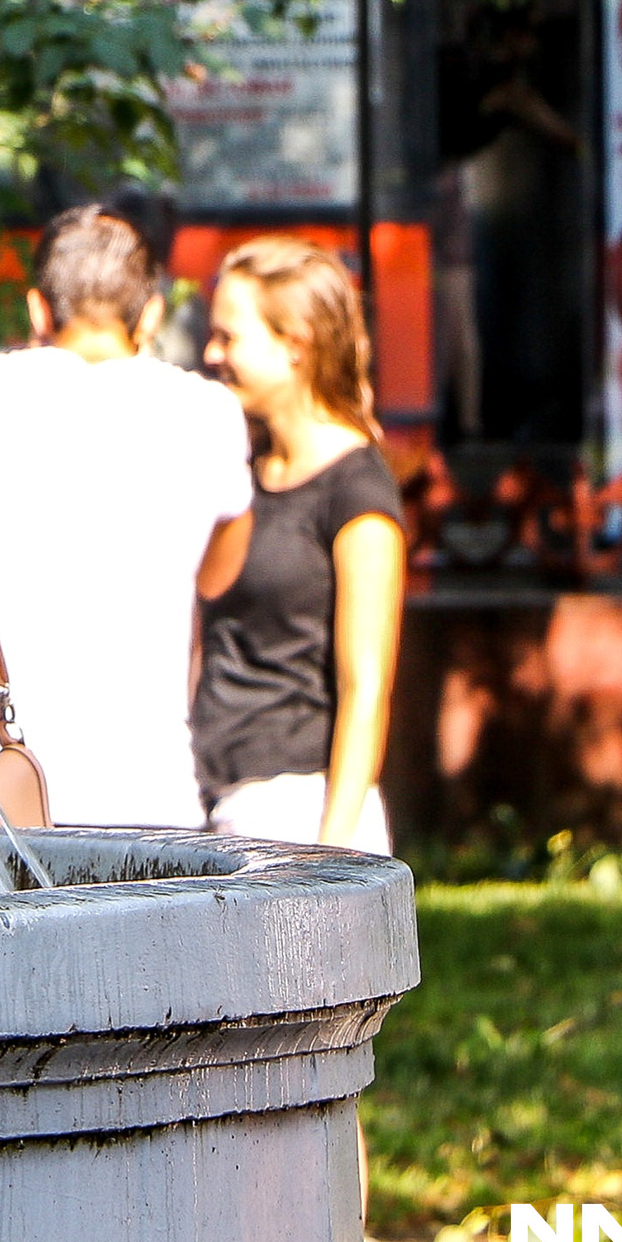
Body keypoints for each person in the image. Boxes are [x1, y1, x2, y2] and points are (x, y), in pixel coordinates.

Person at [0, 206, 253, 829]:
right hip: (144, 795)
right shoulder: (209, 412)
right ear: (150, 315)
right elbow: (219, 577)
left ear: (38, 310)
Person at [191, 236, 405, 851]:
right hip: (214, 805)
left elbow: (366, 685)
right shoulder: (243, 469)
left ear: (296, 345)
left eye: (230, 337)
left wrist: (334, 855)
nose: (212, 354)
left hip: (299, 813)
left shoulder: (357, 488)